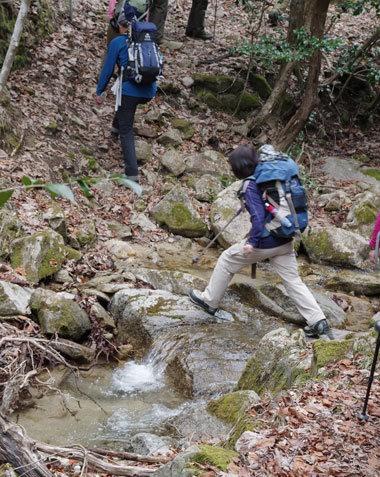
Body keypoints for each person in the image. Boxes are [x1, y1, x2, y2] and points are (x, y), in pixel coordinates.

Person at [189, 145, 333, 340]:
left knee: (226, 259)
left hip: (267, 241)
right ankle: (318, 322)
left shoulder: (251, 185)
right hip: (285, 238)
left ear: (238, 168)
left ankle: (209, 301)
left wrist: (252, 243)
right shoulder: (268, 179)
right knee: (293, 281)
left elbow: (257, 218)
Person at [96, 10, 157, 183]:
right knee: (124, 107)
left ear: (121, 26)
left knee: (127, 130)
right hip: (149, 90)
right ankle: (115, 128)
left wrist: (99, 91)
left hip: (130, 93)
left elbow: (108, 70)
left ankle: (132, 173)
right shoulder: (148, 41)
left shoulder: (117, 42)